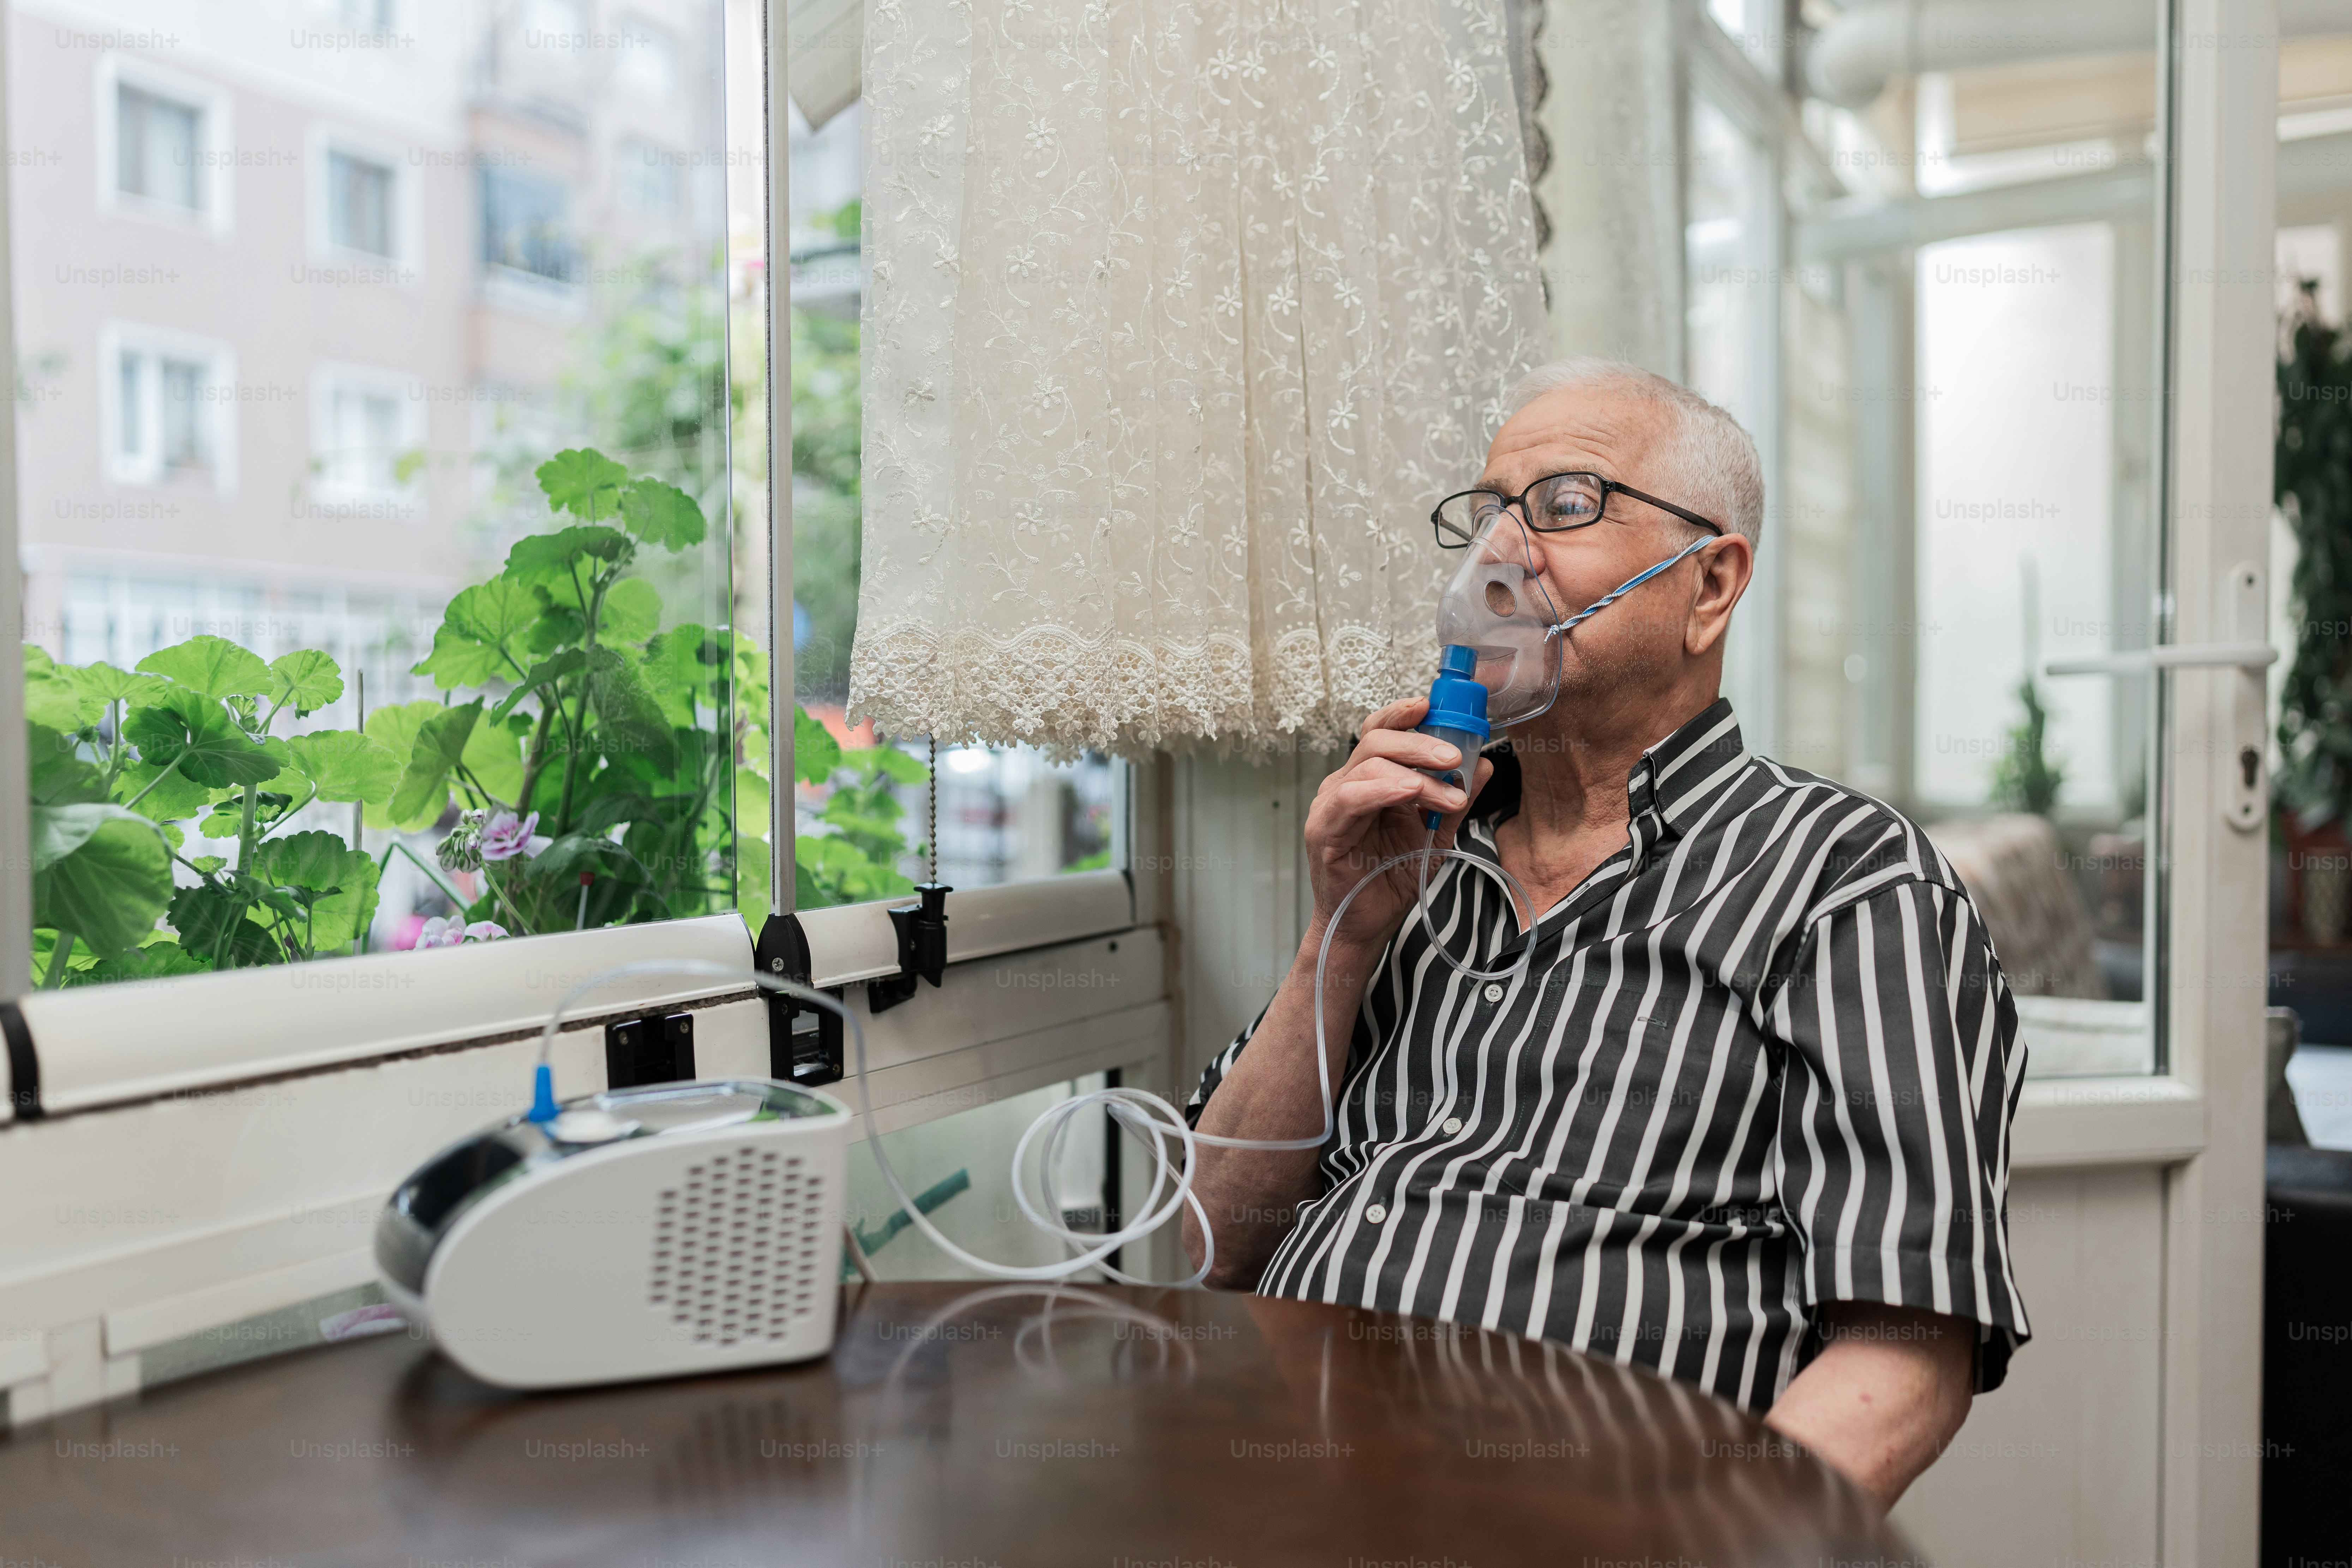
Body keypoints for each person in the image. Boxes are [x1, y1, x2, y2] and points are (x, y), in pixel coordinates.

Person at [1180, 358, 2029, 1509]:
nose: (1500, 554)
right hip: (1275, 1486)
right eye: (1485, 514)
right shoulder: (1411, 853)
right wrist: (1342, 932)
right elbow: (1209, 1244)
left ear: (1712, 583)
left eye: (1565, 504)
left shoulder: (1846, 879)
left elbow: (1908, 1354)